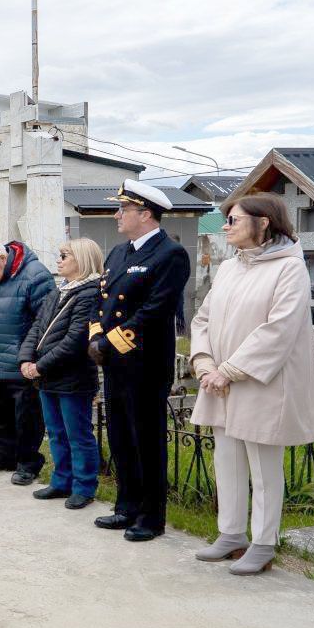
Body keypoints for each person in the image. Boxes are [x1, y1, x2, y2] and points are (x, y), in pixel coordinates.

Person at [190, 193, 314, 574]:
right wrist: (203, 362)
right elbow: (203, 319)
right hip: (219, 382)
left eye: (234, 220)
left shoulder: (289, 269)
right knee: (226, 459)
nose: (226, 227)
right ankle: (231, 533)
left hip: (260, 383)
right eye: (226, 220)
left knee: (264, 467)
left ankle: (264, 541)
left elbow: (277, 330)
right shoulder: (232, 267)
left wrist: (228, 370)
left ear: (264, 223)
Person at [89, 180, 191, 542]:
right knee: (120, 437)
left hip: (145, 363)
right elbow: (100, 300)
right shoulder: (118, 253)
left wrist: (112, 341)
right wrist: (95, 337)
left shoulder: (169, 254)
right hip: (115, 363)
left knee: (146, 439)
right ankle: (126, 507)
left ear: (145, 214)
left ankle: (151, 517)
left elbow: (156, 308)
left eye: (124, 209)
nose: (117, 215)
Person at [19, 238, 105, 509]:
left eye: (64, 255)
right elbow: (37, 327)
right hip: (49, 376)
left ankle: (84, 486)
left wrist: (40, 366)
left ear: (82, 259)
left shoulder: (90, 293)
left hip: (73, 376)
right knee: (56, 431)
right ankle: (61, 480)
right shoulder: (60, 290)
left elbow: (75, 339)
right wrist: (25, 358)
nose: (59, 260)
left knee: (77, 434)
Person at [0, 237, 55, 485]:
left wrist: (29, 357)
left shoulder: (35, 275)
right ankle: (3, 455)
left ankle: (28, 463)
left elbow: (44, 323)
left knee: (26, 416)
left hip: (22, 361)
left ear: (3, 259)